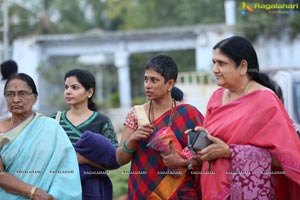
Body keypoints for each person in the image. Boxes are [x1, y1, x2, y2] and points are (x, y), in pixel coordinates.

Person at [195, 36, 300, 199]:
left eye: (221, 63)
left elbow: (287, 160)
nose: (215, 69)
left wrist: (230, 152)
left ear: (243, 67)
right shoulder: (216, 98)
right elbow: (213, 140)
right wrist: (200, 139)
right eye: (214, 62)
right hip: (213, 188)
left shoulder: (265, 101)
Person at [116, 55, 205, 199]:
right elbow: (120, 159)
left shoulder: (189, 113)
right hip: (143, 192)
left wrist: (183, 162)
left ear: (170, 84)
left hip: (181, 193)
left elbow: (208, 156)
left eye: (154, 80)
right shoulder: (136, 114)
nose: (147, 85)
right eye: (146, 79)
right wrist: (132, 140)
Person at [0, 73, 82, 199]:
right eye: (10, 94)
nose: (16, 99)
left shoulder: (50, 128)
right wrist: (33, 192)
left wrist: (54, 195)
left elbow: (65, 168)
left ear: (35, 98)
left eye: (22, 93)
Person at [51, 69, 119, 200]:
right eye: (66, 87)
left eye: (75, 87)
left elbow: (114, 161)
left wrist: (83, 159)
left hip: (92, 190)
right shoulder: (55, 120)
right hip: (59, 189)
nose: (68, 91)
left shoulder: (102, 122)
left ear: (89, 92)